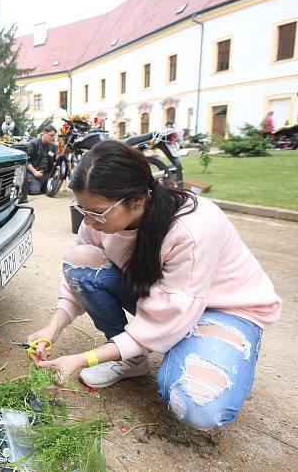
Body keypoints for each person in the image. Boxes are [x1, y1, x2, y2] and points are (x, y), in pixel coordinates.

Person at [26, 140, 281, 431]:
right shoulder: (99, 218)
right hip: (167, 301)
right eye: (81, 208)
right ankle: (133, 357)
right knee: (80, 260)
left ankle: (200, 345)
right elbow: (77, 280)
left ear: (136, 200)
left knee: (197, 406)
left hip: (220, 309)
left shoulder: (191, 230)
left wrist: (84, 359)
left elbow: (169, 315)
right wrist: (52, 329)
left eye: (96, 212)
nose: (87, 220)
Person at [25, 125, 57, 195]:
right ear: (44, 133)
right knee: (35, 191)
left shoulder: (52, 146)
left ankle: (41, 185)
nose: (53, 138)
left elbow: (54, 160)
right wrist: (35, 172)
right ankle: (29, 184)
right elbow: (26, 160)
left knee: (52, 190)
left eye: (54, 136)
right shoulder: (33, 143)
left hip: (45, 174)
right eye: (51, 135)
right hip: (33, 173)